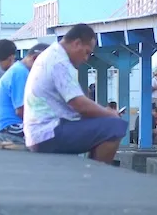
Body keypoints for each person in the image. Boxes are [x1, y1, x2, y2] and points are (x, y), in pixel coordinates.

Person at [23, 23, 128, 163]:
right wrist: (109, 113)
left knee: (102, 122)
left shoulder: (51, 55)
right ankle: (97, 174)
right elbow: (80, 105)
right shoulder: (59, 62)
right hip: (48, 133)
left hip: (39, 132)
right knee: (115, 126)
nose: (86, 59)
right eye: (86, 52)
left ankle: (92, 169)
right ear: (77, 43)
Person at [0, 43, 49, 148]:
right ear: (35, 59)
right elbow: (21, 110)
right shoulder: (21, 73)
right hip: (9, 128)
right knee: (53, 135)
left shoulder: (19, 70)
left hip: (6, 127)